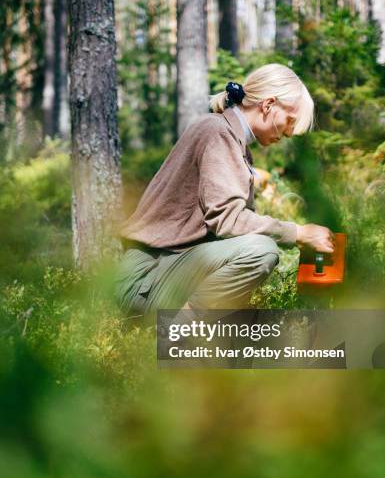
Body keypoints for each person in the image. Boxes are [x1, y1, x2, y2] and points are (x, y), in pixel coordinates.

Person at [115, 63, 334, 321]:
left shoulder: (228, 136)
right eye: (290, 121)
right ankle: (180, 334)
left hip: (161, 271)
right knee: (261, 251)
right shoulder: (218, 133)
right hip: (144, 282)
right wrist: (297, 232)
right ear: (268, 105)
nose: (289, 133)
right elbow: (228, 220)